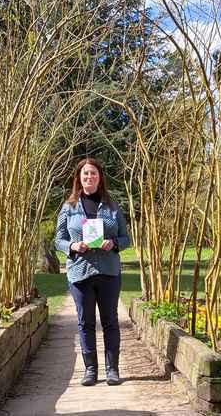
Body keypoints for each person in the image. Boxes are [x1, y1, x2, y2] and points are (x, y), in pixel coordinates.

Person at [55, 158, 131, 386]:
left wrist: (113, 243)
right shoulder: (69, 207)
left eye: (93, 174)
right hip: (80, 273)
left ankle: (112, 370)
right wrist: (72, 246)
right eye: (85, 174)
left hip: (108, 272)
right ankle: (90, 370)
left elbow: (127, 238)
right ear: (78, 178)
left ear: (100, 177)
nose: (89, 177)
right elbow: (58, 240)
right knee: (85, 323)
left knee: (110, 321)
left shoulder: (112, 206)